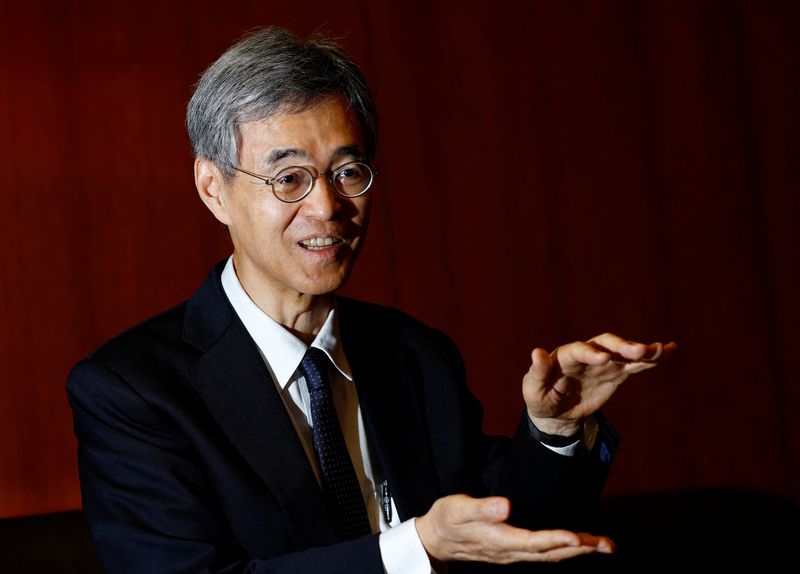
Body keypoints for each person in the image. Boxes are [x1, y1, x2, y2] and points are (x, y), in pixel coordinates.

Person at [67, 26, 674, 573]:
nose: (327, 207)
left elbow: (503, 534)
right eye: (289, 178)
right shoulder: (131, 392)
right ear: (213, 189)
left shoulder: (414, 353)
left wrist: (554, 430)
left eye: (348, 171)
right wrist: (415, 548)